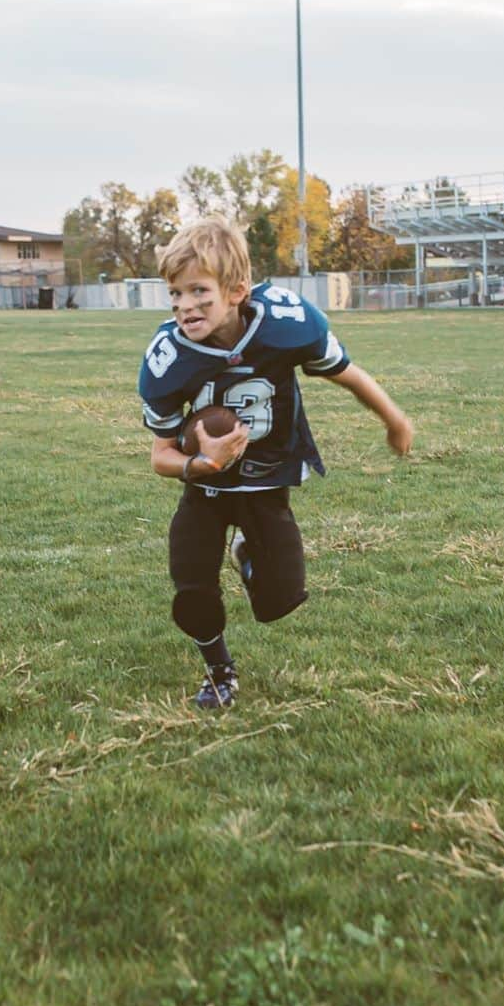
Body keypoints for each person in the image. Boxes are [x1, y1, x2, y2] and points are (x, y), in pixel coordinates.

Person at [137, 216, 413, 709]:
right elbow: (160, 456)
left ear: (237, 289)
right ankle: (219, 672)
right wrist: (200, 465)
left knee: (279, 601)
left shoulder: (285, 324)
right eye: (174, 293)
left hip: (267, 480)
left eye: (198, 290)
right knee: (192, 593)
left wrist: (393, 420)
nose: (184, 305)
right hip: (205, 490)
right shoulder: (168, 356)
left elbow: (347, 374)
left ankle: (247, 548)